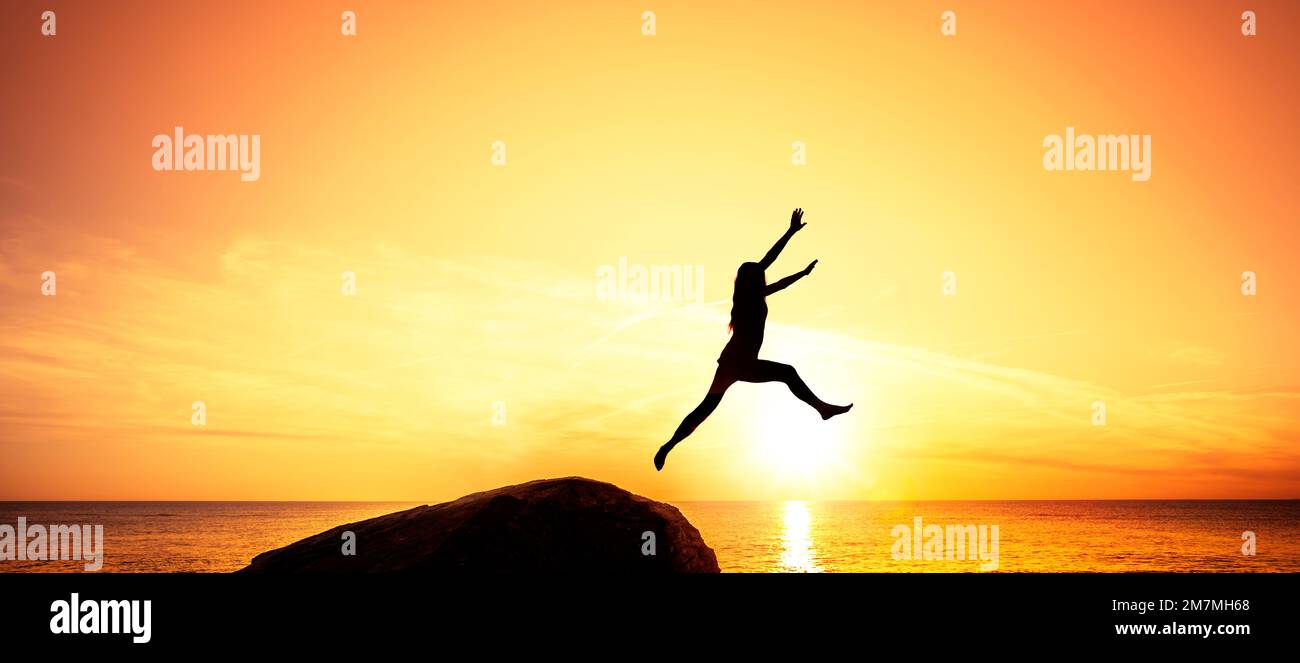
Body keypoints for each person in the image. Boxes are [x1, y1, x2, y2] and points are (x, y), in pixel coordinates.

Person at [654, 208, 852, 471]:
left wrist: (802, 274)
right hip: (739, 360)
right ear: (751, 279)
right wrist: (790, 232)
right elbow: (770, 258)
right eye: (758, 273)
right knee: (787, 373)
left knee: (707, 407)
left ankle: (668, 446)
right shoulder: (746, 297)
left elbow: (779, 284)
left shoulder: (756, 295)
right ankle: (822, 409)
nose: (763, 274)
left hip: (736, 360)